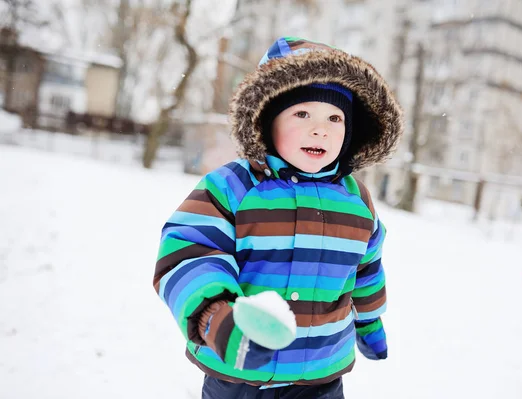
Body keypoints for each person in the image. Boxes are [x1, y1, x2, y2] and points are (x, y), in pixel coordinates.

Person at [153, 36, 404, 399]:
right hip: (238, 373)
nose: (321, 129)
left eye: (335, 118)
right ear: (268, 120)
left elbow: (365, 268)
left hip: (320, 375)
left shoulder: (356, 201)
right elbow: (189, 254)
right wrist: (216, 317)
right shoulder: (232, 187)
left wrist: (369, 321)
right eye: (302, 114)